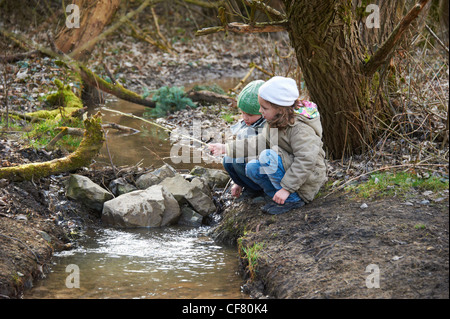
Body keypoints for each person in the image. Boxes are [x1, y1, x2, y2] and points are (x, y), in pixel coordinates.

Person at [209, 76, 327, 215]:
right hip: (288, 168)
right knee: (252, 168)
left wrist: (287, 189)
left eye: (264, 107)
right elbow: (258, 142)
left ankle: (292, 199)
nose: (260, 111)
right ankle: (276, 198)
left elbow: (306, 160)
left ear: (280, 109)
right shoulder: (275, 122)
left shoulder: (300, 129)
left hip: (307, 179)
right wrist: (226, 148)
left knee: (267, 156)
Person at [223, 80, 266, 199]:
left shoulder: (267, 126)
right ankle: (246, 185)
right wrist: (237, 182)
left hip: (262, 167)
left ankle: (261, 190)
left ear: (263, 111)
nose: (245, 118)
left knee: (238, 160)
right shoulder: (246, 124)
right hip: (250, 164)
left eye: (250, 115)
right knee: (227, 160)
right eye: (242, 113)